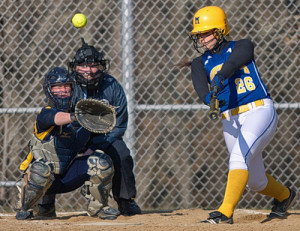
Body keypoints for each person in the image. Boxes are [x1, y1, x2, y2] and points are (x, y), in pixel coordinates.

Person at [187, 6, 296, 224]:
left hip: (259, 110)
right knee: (255, 182)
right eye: (199, 34)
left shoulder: (242, 45)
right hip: (231, 119)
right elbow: (202, 89)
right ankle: (285, 196)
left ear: (221, 30)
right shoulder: (200, 63)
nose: (202, 39)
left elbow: (236, 61)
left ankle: (225, 213)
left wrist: (220, 77)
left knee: (238, 157)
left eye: (207, 32)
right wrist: (210, 99)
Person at [38, 39, 141, 216]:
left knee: (121, 153)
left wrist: (96, 146)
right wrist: (75, 141)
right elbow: (55, 118)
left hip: (104, 137)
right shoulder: (68, 86)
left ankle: (125, 201)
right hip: (72, 137)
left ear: (101, 67)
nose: (89, 70)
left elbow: (120, 123)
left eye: (93, 65)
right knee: (46, 150)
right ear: (75, 67)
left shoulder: (111, 85)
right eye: (83, 66)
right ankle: (45, 202)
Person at [16, 67, 120, 220]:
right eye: (57, 87)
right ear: (49, 90)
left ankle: (99, 207)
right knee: (40, 170)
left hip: (67, 177)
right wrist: (76, 116)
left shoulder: (82, 120)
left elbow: (91, 145)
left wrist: (93, 166)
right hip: (43, 179)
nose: (63, 90)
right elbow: (55, 118)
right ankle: (30, 208)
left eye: (67, 86)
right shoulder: (46, 113)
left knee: (101, 162)